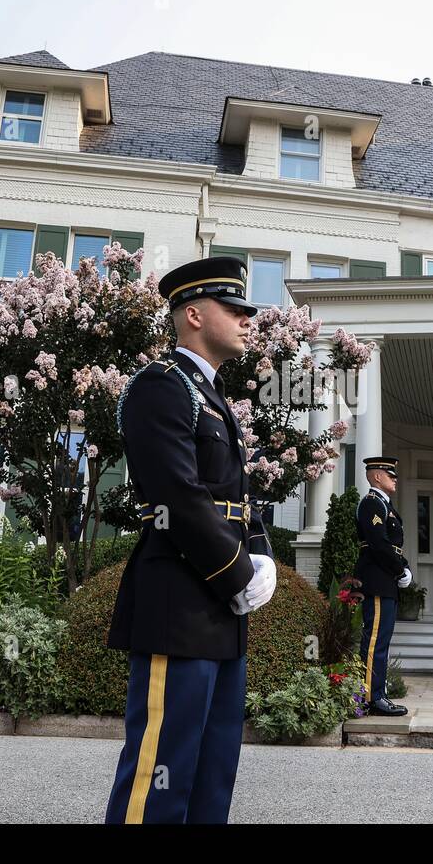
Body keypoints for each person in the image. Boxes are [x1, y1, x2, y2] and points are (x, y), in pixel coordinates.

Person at [104, 255, 278, 825]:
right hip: (180, 596)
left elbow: (237, 495)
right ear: (195, 314)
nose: (248, 320)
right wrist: (237, 574)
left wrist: (262, 554)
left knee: (213, 762)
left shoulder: (213, 395)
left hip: (220, 605)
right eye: (236, 309)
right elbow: (178, 497)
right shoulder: (161, 386)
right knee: (163, 764)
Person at [355, 456, 410, 715]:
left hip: (386, 579)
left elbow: (392, 545)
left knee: (382, 642)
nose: (395, 479)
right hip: (377, 579)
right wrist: (399, 569)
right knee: (375, 641)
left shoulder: (385, 506)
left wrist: (404, 567)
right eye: (391, 475)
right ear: (377, 477)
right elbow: (378, 544)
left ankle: (378, 693)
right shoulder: (372, 504)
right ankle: (369, 698)